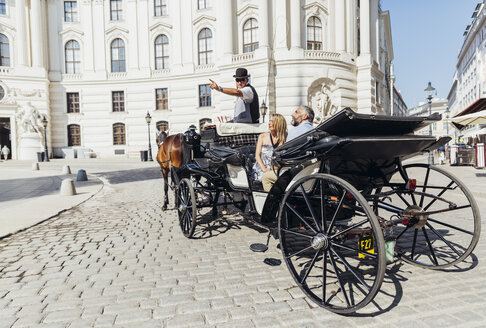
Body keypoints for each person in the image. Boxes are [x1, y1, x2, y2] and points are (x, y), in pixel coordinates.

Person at [261, 105, 315, 191]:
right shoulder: (314, 131)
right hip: (311, 171)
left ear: (305, 116)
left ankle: (275, 203)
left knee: (265, 177)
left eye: (296, 112)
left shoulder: (296, 131)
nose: (292, 114)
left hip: (295, 173)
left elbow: (287, 155)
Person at [252, 114, 287, 183]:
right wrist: (264, 170)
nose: (269, 123)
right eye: (269, 121)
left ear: (279, 123)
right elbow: (257, 156)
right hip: (261, 168)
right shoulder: (262, 136)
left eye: (272, 121)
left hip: (276, 168)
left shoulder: (284, 137)